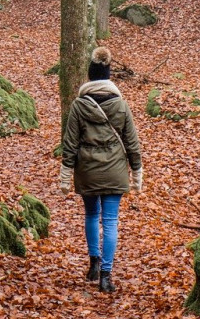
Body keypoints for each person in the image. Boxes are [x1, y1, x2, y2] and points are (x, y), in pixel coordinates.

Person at [59, 46, 143, 293]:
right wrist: (136, 173)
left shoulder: (78, 106)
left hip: (87, 170)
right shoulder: (121, 105)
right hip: (115, 171)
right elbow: (132, 143)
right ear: (108, 76)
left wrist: (65, 175)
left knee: (91, 215)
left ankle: (93, 264)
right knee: (110, 221)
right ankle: (106, 276)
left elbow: (70, 143)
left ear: (90, 75)